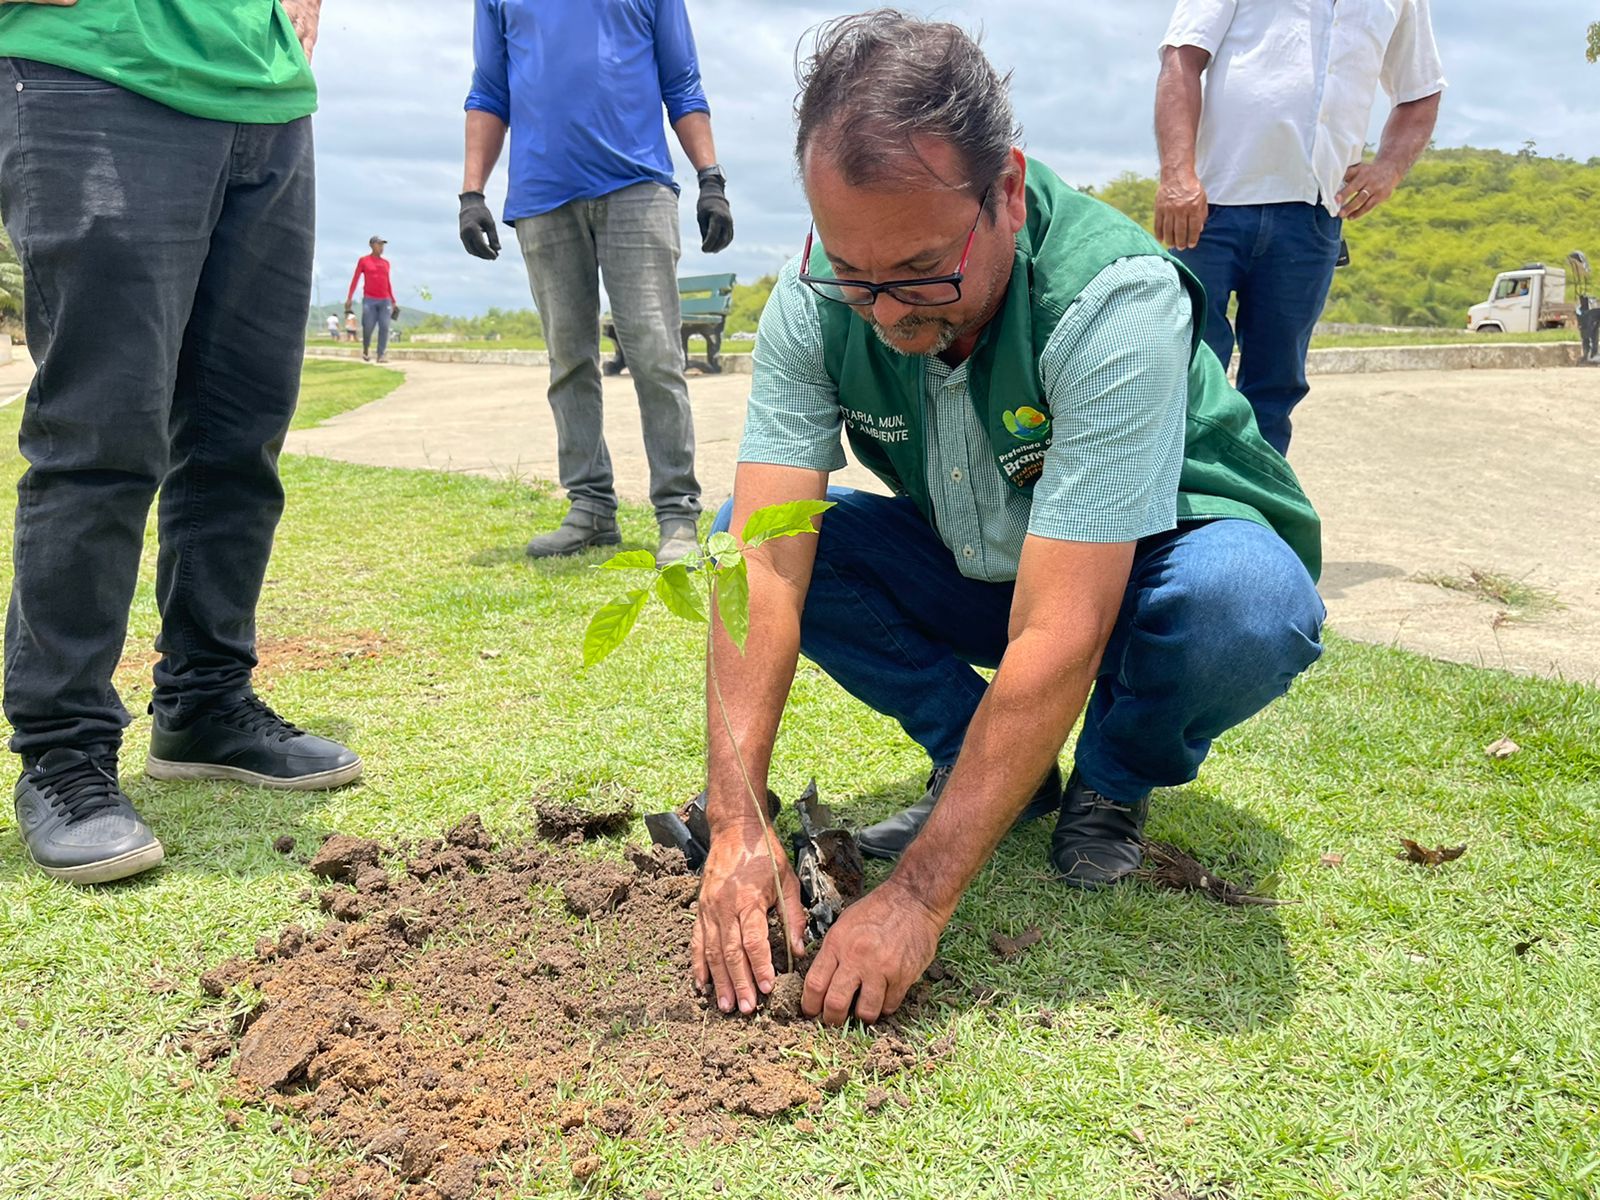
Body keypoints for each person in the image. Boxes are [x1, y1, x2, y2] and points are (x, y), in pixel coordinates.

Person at [689, 12, 1325, 1026]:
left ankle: (1110, 780)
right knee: (754, 530)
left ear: (1008, 192)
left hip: (1148, 568)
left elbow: (1062, 625)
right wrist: (736, 822)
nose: (887, 313)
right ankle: (991, 770)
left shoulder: (1110, 299)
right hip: (981, 563)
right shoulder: (817, 298)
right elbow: (761, 565)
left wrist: (917, 898)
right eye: (857, 276)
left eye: (922, 271)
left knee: (1243, 605)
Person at [0, 0, 362, 885]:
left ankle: (206, 700)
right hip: (95, 68)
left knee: (240, 433)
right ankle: (63, 748)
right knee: (102, 432)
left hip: (262, 94)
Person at [459, 0, 734, 566]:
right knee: (569, 360)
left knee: (655, 354)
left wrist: (710, 177)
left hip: (638, 188)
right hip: (541, 196)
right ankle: (590, 509)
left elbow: (682, 82)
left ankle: (677, 513)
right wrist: (471, 193)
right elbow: (489, 92)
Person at [1153, 0, 1445, 454]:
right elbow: (1182, 56)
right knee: (1186, 369)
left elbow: (1422, 90)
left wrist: (1388, 169)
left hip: (1312, 219)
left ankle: (1260, 496)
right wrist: (1177, 175)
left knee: (1275, 386)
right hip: (1210, 205)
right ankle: (1176, 495)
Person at [346, 235, 400, 363]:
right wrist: (349, 297)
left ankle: (381, 355)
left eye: (382, 245)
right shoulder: (364, 261)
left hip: (385, 300)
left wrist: (393, 300)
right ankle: (365, 349)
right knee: (368, 327)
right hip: (369, 300)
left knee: (384, 326)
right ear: (371, 245)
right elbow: (355, 278)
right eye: (379, 244)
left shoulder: (386, 263)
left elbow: (387, 282)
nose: (381, 247)